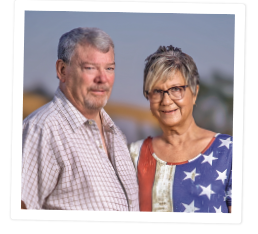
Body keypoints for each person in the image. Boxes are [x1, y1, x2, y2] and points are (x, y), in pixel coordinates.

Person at [22, 27, 139, 211]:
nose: (102, 78)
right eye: (90, 68)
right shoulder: (42, 130)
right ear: (62, 70)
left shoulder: (116, 135)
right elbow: (18, 213)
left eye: (109, 68)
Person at [129, 45, 232, 213]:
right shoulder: (133, 155)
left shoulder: (228, 151)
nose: (166, 100)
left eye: (176, 89)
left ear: (195, 92)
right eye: (157, 91)